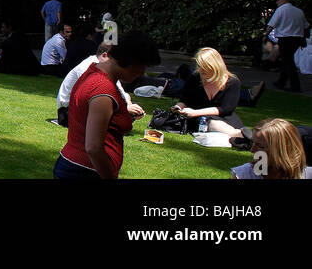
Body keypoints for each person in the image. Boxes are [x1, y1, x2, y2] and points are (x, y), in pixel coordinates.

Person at [54, 31, 159, 179]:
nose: (142, 72)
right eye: (143, 66)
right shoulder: (102, 90)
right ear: (130, 61)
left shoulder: (94, 72)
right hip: (85, 171)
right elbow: (93, 148)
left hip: (76, 166)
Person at [56, 39, 144, 127]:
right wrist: (125, 108)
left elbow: (120, 91)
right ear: (104, 55)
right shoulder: (88, 67)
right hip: (67, 112)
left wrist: (129, 105)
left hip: (83, 108)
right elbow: (94, 97)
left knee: (126, 105)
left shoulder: (104, 68)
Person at [174, 47, 244, 138]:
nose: (200, 70)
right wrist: (177, 108)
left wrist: (195, 112)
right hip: (200, 119)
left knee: (212, 122)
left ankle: (239, 134)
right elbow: (184, 99)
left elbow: (226, 109)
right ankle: (239, 135)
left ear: (214, 66)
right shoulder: (195, 78)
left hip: (224, 118)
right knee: (206, 121)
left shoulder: (233, 82)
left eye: (204, 67)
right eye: (199, 66)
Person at [230, 118, 312, 180]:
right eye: (253, 143)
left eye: (260, 146)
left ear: (282, 150)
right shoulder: (245, 174)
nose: (252, 150)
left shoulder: (307, 175)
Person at [267, 0, 308, 94]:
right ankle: (281, 82)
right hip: (297, 38)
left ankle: (295, 85)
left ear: (283, 0)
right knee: (287, 60)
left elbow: (272, 24)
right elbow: (306, 25)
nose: (277, 2)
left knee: (288, 61)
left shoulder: (281, 10)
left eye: (278, 0)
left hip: (286, 38)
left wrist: (265, 34)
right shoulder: (299, 11)